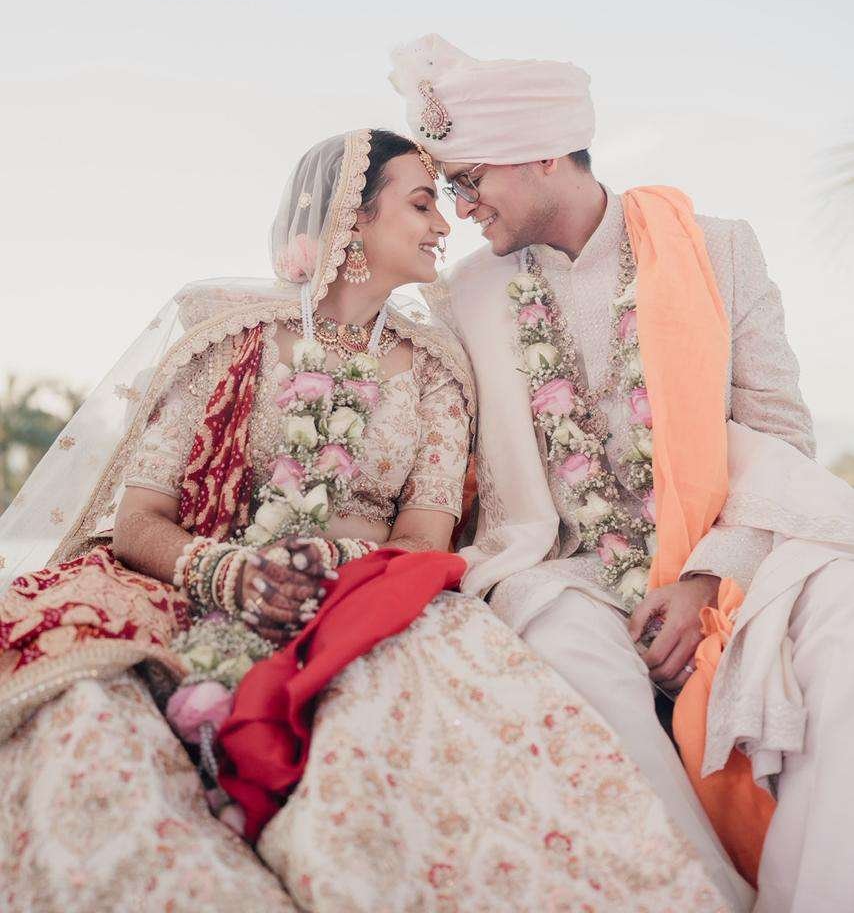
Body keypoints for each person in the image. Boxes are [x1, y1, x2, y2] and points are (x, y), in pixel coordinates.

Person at [0, 129, 734, 913]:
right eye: (421, 204)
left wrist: (329, 567)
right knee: (86, 716)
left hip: (365, 591)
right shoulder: (226, 335)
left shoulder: (437, 370)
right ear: (353, 217)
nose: (445, 224)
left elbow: (424, 535)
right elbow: (140, 519)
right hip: (199, 579)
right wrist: (228, 572)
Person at [392, 33, 854, 913]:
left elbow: (777, 429)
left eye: (469, 178)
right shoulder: (466, 295)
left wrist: (709, 574)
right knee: (565, 646)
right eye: (449, 187)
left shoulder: (715, 249)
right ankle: (701, 894)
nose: (461, 206)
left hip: (729, 544)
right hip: (569, 568)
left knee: (846, 612)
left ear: (544, 153)